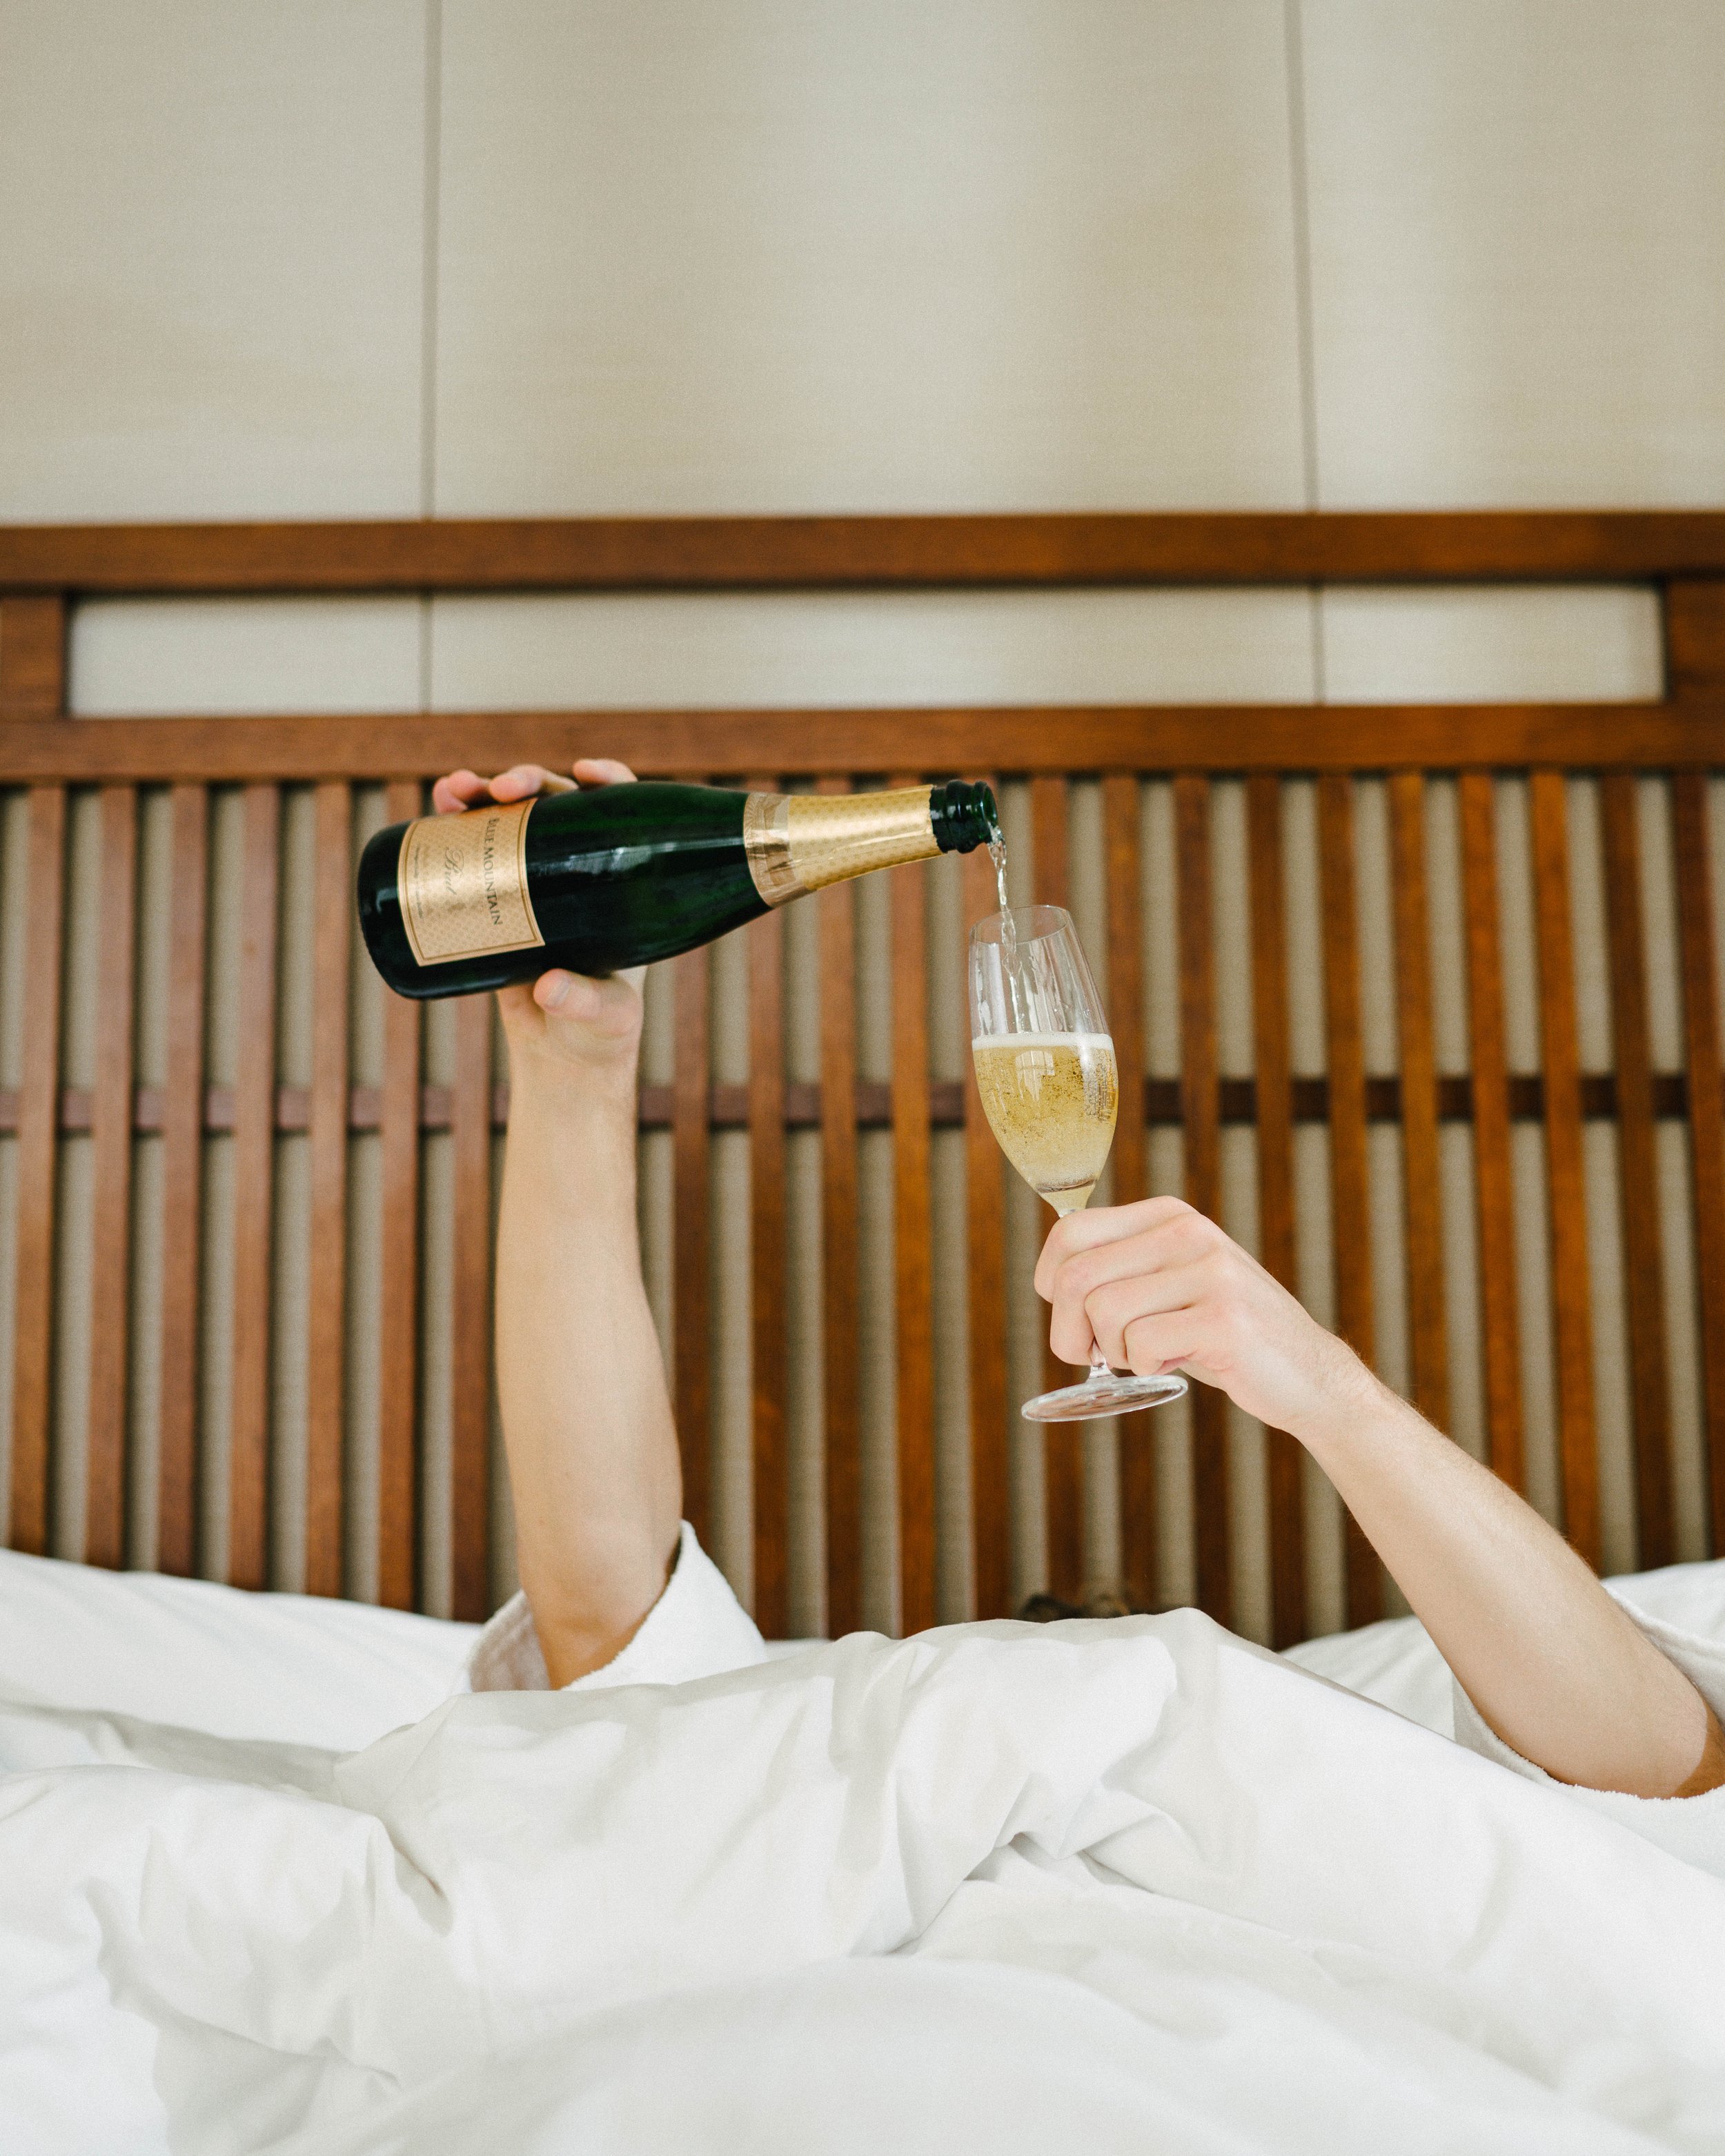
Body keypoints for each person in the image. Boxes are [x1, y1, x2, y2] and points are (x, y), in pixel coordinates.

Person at [436, 757, 1724, 1809]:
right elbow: (612, 1619)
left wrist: (1326, 1387)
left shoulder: (1344, 1704)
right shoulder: (851, 1729)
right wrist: (574, 1071)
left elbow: (1669, 1767)